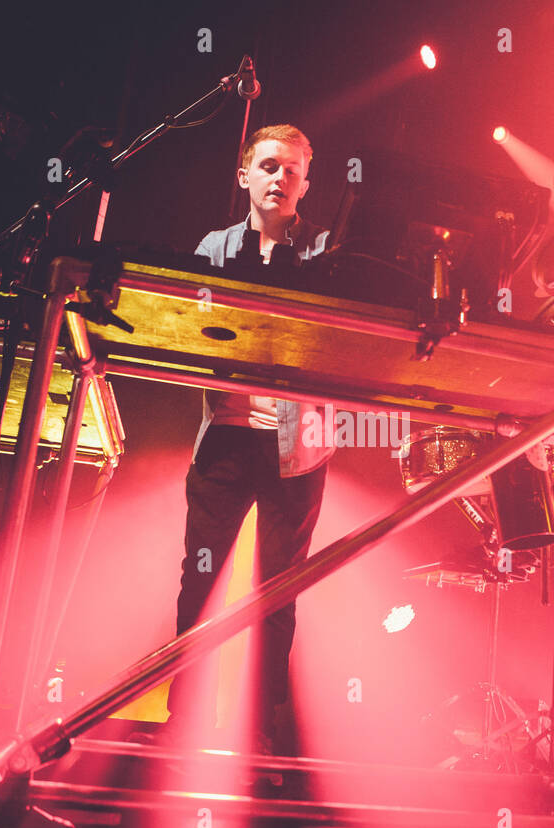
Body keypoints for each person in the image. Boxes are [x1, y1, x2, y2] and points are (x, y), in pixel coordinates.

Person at [163, 124, 334, 755]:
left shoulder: (324, 249)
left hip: (300, 443)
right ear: (245, 176)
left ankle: (259, 729)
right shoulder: (215, 245)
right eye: (269, 166)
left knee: (277, 589)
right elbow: (190, 323)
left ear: (306, 184)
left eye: (292, 169)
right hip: (227, 435)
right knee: (199, 581)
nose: (279, 178)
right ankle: (184, 718)